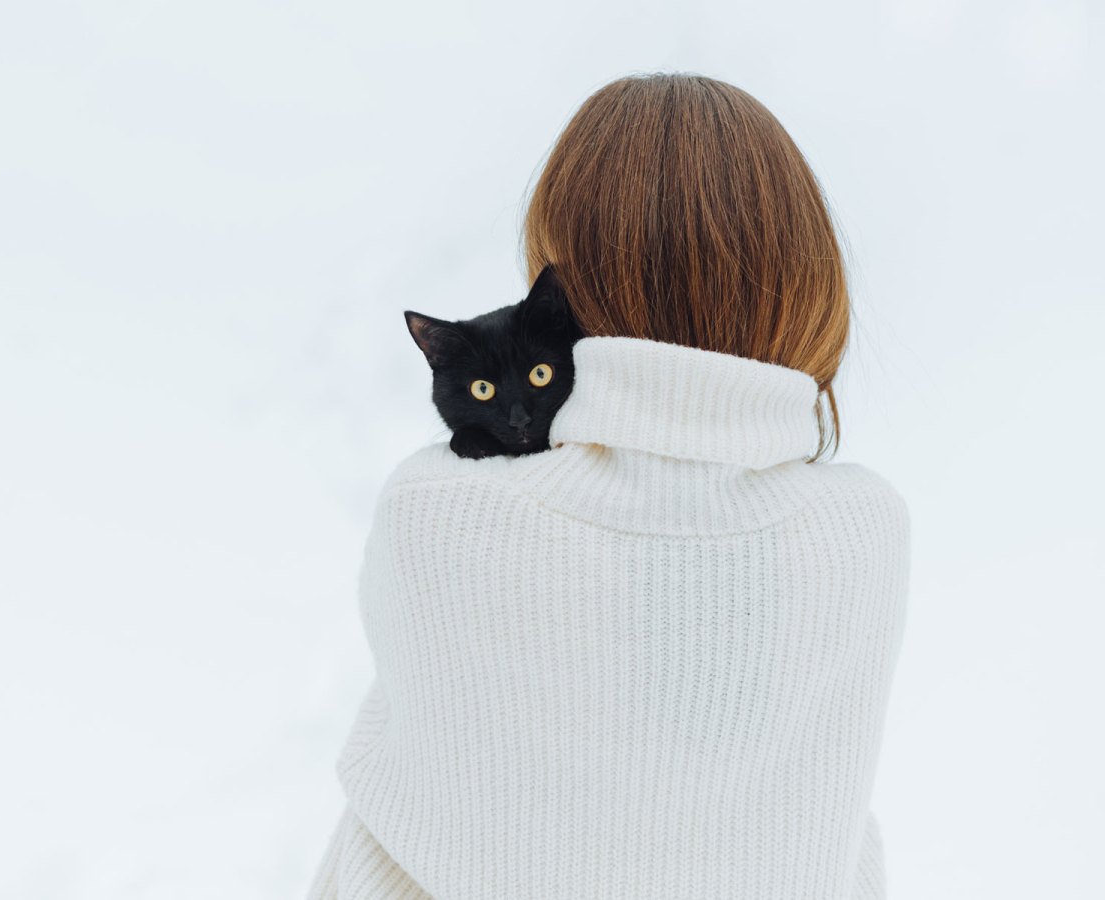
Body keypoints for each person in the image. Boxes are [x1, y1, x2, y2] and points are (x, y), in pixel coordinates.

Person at [308, 72, 909, 900]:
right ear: (806, 276)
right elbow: (834, 849)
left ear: (564, 282)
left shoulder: (440, 513)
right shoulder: (863, 533)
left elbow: (393, 827)